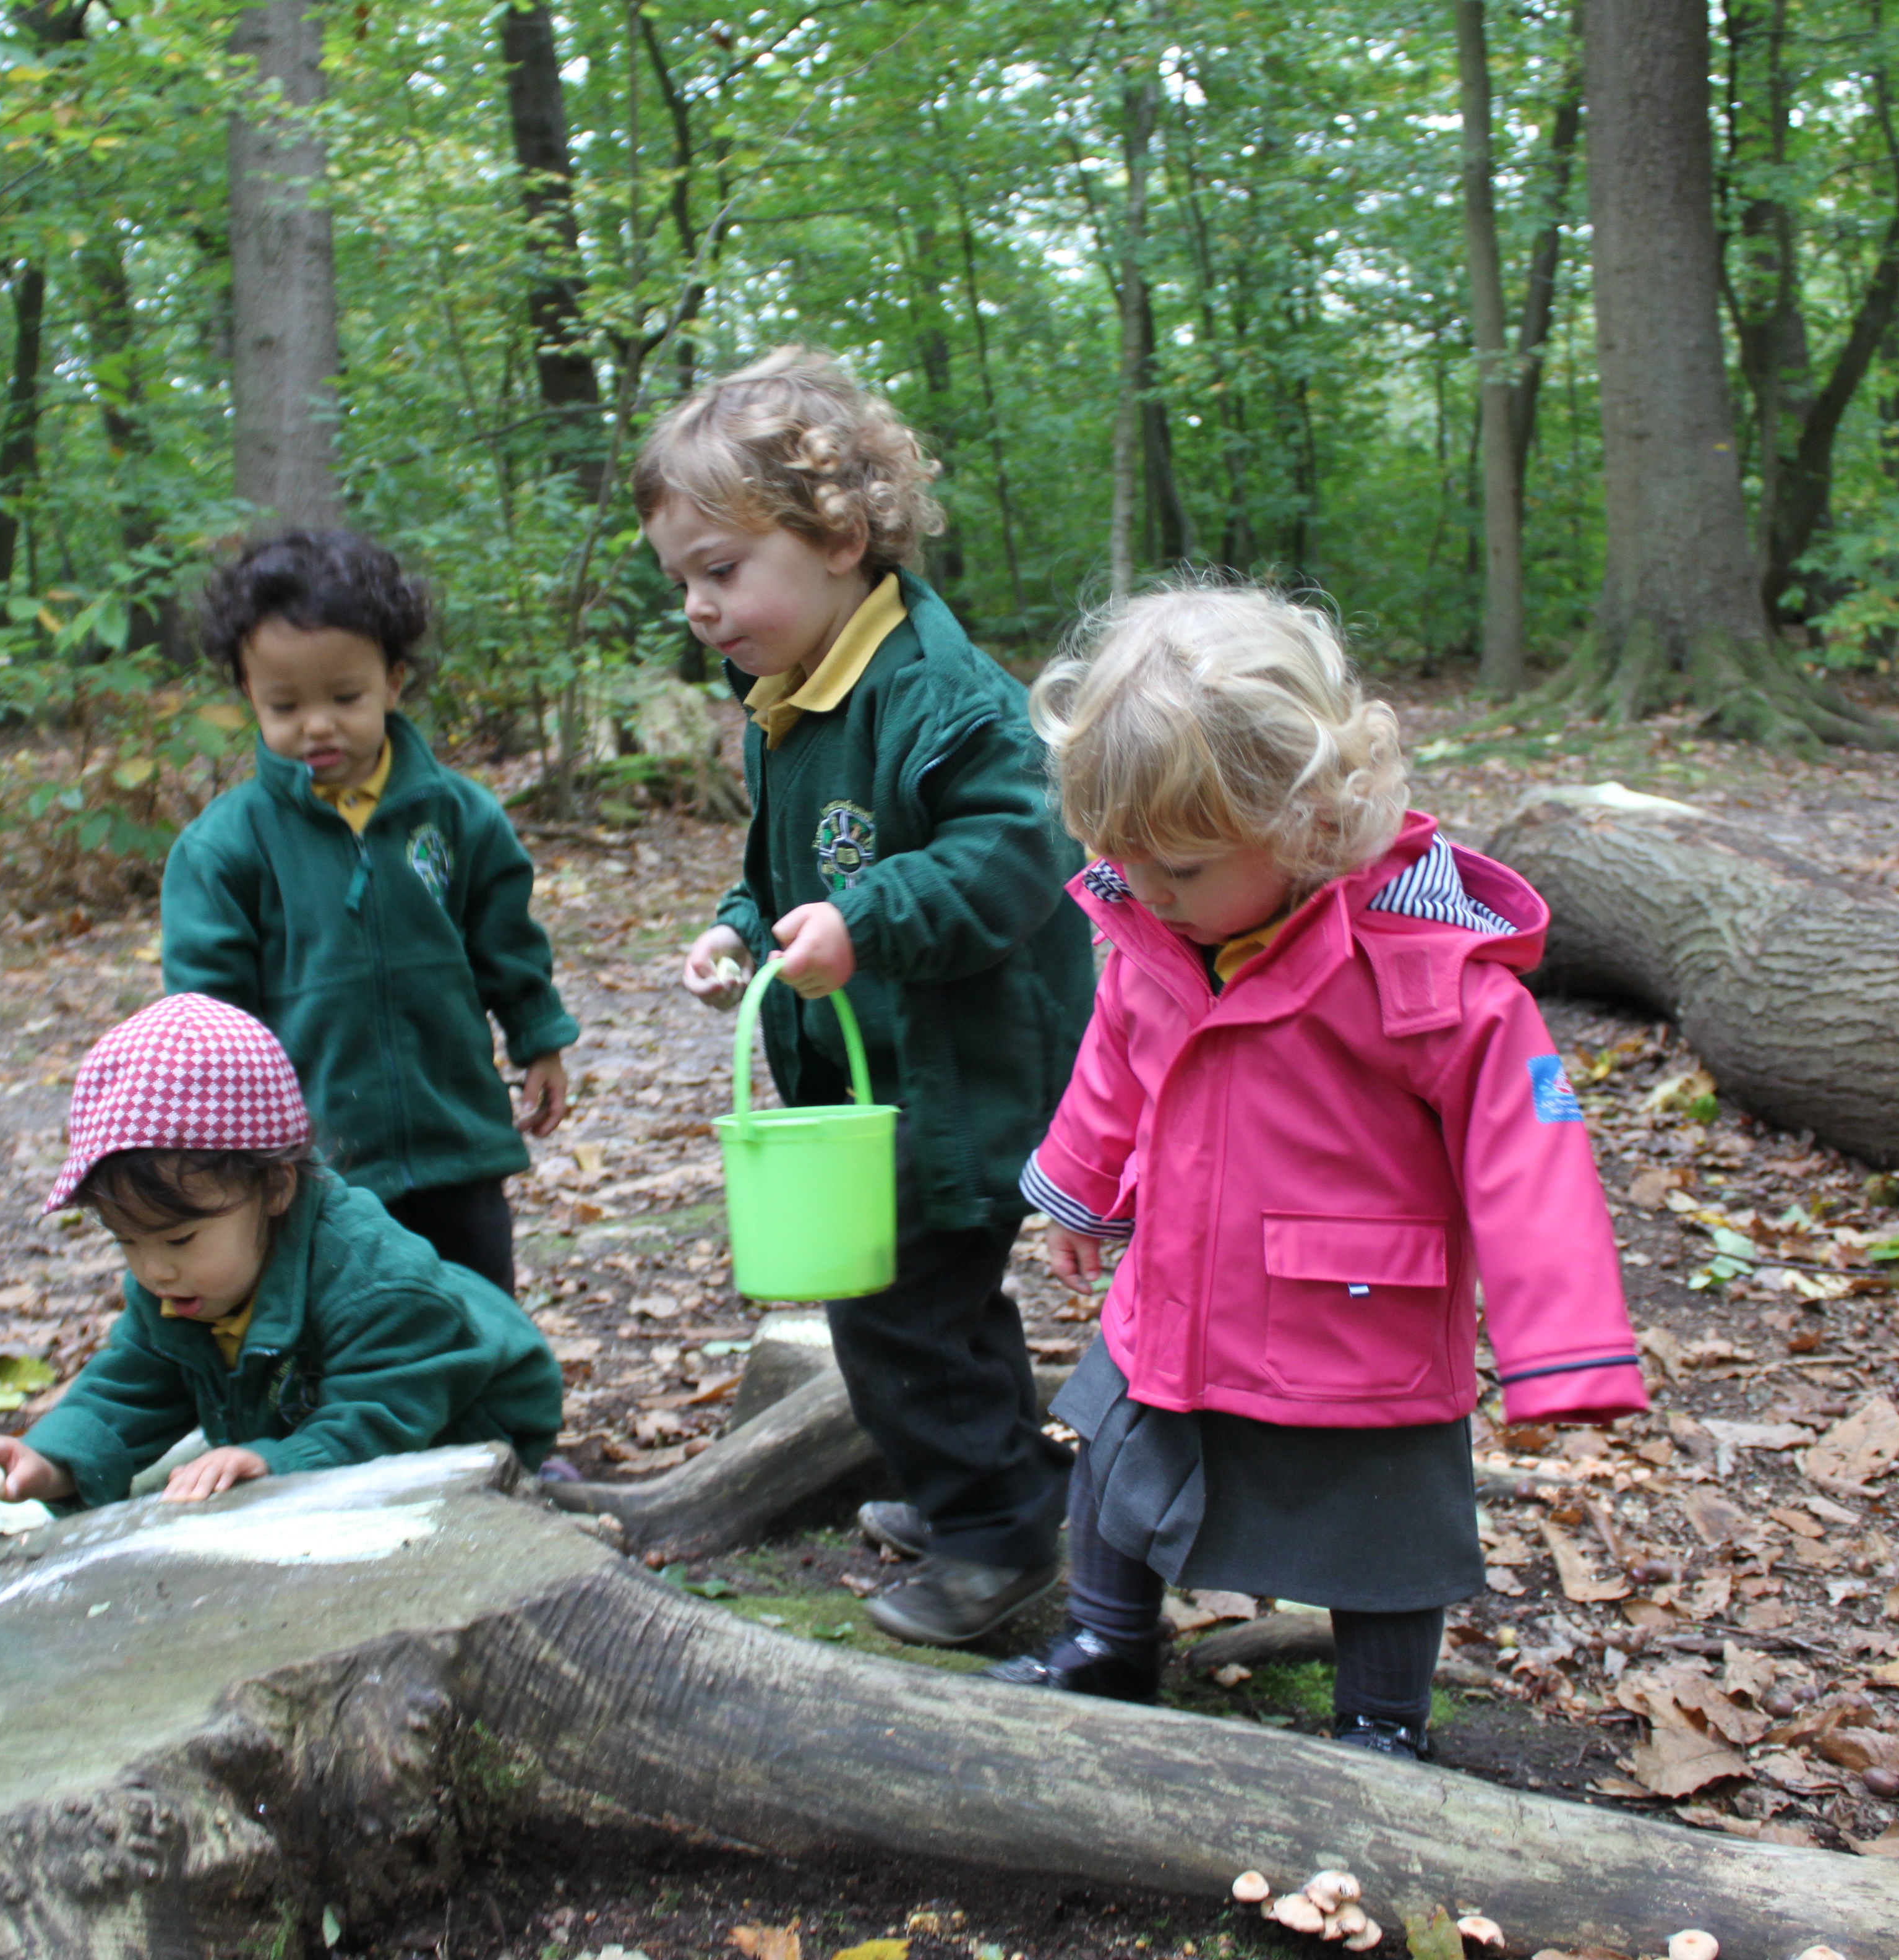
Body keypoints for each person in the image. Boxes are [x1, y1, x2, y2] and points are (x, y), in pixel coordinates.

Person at [992, 582, 1647, 1756]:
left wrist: (1564, 1351)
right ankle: (1107, 1640)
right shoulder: (1155, 930)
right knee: (1113, 1463)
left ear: (1300, 820)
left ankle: (1383, 1717)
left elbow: (1528, 1150)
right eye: (1121, 854)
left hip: (1355, 1322)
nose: (1146, 888)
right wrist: (1079, 1186)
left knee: (1383, 1531)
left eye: (1182, 864)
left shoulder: (1425, 970)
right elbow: (1116, 1058)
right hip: (1178, 1297)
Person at [640, 348, 1097, 1647]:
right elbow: (779, 871)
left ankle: (1001, 1537)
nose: (702, 609)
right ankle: (998, 1482)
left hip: (956, 1078)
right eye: (683, 582)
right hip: (867, 1075)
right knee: (912, 1303)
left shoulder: (939, 697)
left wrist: (867, 920)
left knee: (908, 1310)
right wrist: (743, 930)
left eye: (723, 570)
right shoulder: (790, 698)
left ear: (839, 536)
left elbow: (1014, 863)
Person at [161, 528, 576, 1296]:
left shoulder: (458, 817)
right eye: (285, 704)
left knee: (480, 1316)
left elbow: (507, 943)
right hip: (316, 1170)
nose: (317, 725)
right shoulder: (225, 848)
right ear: (248, 694)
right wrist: (224, 1144)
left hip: (457, 1140)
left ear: (393, 681)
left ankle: (500, 1421)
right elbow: (204, 1012)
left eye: (345, 698)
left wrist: (539, 1040)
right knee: (354, 1340)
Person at [0, 994, 563, 1509]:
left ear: (275, 1187)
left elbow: (381, 1418)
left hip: (461, 1420)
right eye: (128, 1242)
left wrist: (279, 1464)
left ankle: (537, 1492)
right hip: (323, 1418)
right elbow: (132, 1385)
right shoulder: (183, 1283)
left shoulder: (378, 1281)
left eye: (178, 1238)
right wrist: (50, 1459)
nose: (153, 1269)